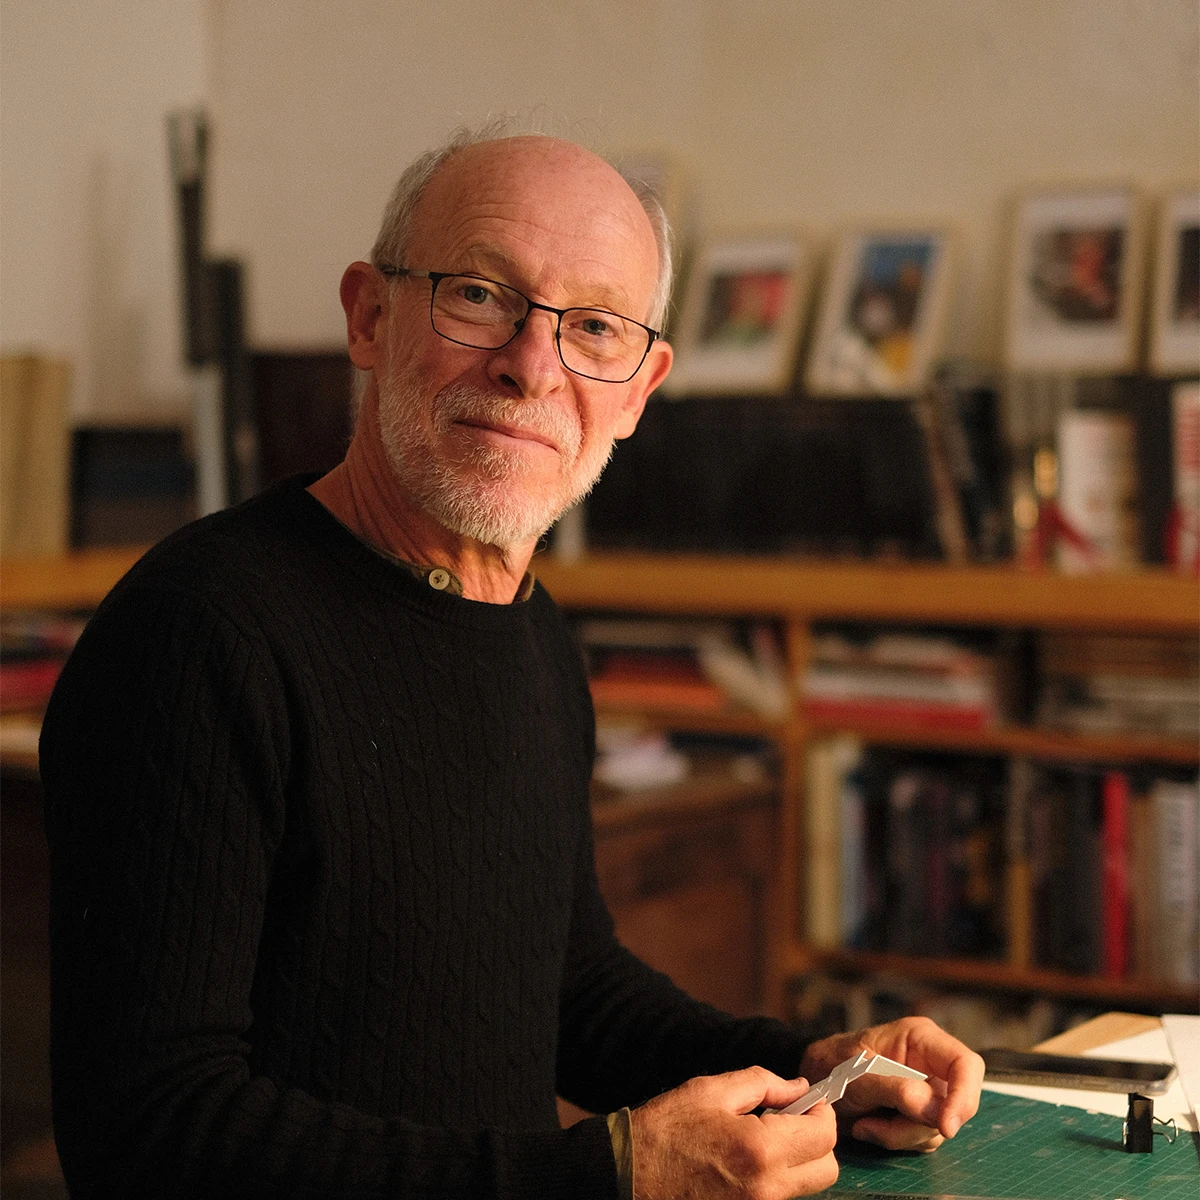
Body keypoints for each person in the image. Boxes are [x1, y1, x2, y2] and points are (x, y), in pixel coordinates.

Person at [40, 124, 983, 1200]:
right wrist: (610, 1177)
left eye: (595, 327)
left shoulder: (532, 634)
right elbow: (147, 1130)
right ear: (369, 316)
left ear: (638, 390)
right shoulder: (196, 635)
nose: (532, 366)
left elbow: (567, 989)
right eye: (481, 295)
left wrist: (815, 1071)